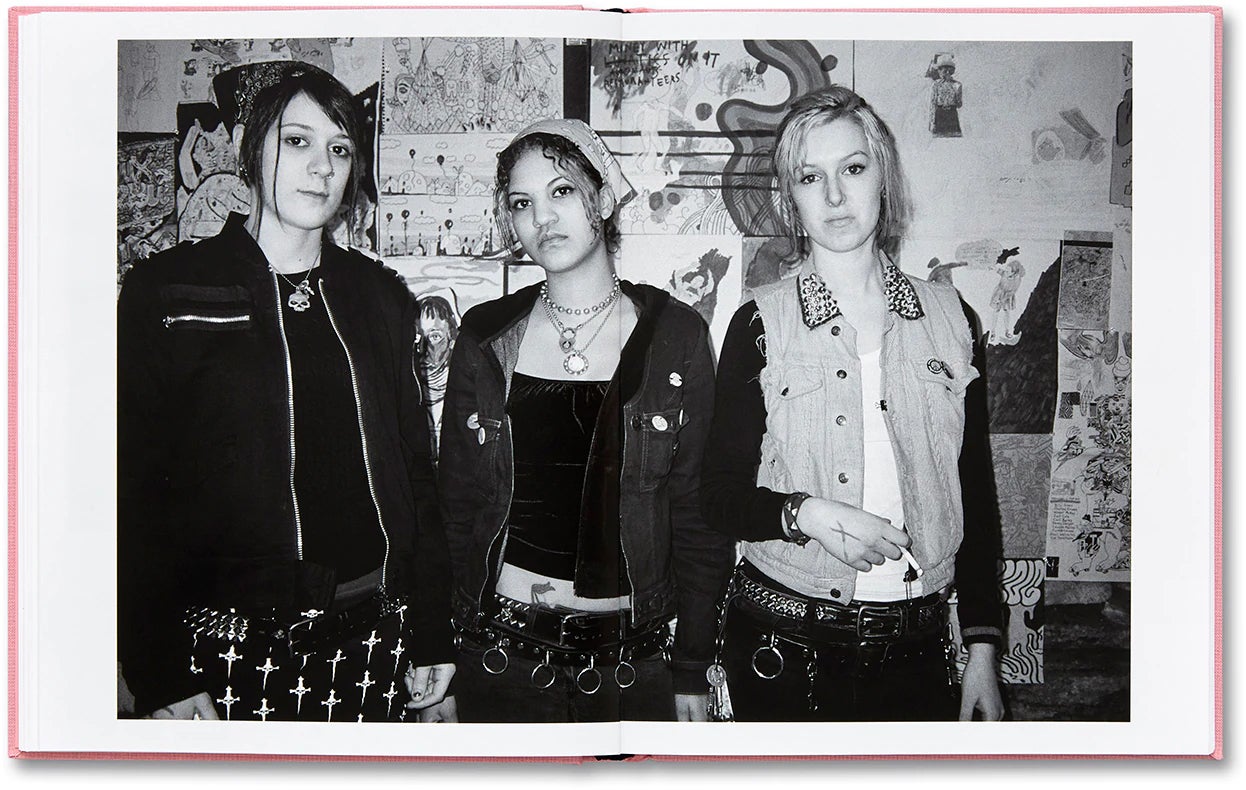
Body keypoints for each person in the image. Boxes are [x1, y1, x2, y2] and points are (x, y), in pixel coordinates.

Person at [117, 62, 455, 722]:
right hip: (221, 656)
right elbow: (130, 491)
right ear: (253, 149)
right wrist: (155, 664)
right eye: (296, 141)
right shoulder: (169, 292)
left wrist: (432, 631)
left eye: (339, 148)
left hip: (373, 646)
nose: (321, 167)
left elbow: (418, 479)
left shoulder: (381, 298)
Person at [700, 86, 1004, 722]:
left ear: (882, 179)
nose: (834, 197)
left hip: (919, 648)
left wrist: (981, 646)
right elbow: (719, 494)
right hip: (783, 643)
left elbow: (974, 491)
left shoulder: (953, 318)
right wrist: (805, 514)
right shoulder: (759, 323)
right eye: (812, 177)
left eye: (853, 169)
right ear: (789, 198)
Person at [437, 119, 735, 722]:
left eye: (562, 191)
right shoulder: (485, 335)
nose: (542, 218)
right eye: (522, 203)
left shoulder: (675, 337)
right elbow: (455, 507)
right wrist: (439, 653)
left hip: (634, 666)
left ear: (602, 198)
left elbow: (699, 519)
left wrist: (693, 667)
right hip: (499, 659)